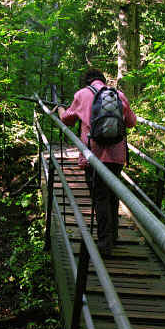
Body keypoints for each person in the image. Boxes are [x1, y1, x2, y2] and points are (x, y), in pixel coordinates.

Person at [57, 69, 136, 257]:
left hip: (93, 154)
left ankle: (104, 243)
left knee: (99, 197)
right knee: (112, 195)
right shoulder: (118, 95)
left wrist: (59, 108)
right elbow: (131, 122)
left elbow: (66, 119)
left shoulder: (81, 95)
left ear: (87, 81)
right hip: (117, 155)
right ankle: (113, 236)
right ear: (103, 80)